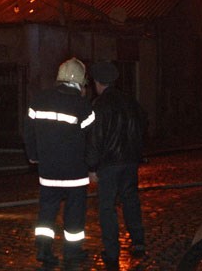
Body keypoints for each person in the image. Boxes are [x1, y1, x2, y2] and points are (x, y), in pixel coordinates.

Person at [24, 57, 95, 269]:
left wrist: (33, 155)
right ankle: (72, 254)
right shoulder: (83, 107)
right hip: (75, 172)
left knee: (47, 211)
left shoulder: (38, 100)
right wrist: (92, 167)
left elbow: (28, 132)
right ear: (80, 82)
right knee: (74, 215)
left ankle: (44, 251)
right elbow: (91, 141)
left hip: (48, 171)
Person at [86, 61, 147, 270]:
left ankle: (112, 252)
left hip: (109, 164)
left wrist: (92, 167)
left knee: (107, 207)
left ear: (97, 82)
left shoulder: (99, 105)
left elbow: (95, 137)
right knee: (131, 200)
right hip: (129, 161)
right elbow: (142, 127)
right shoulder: (130, 102)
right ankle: (138, 241)